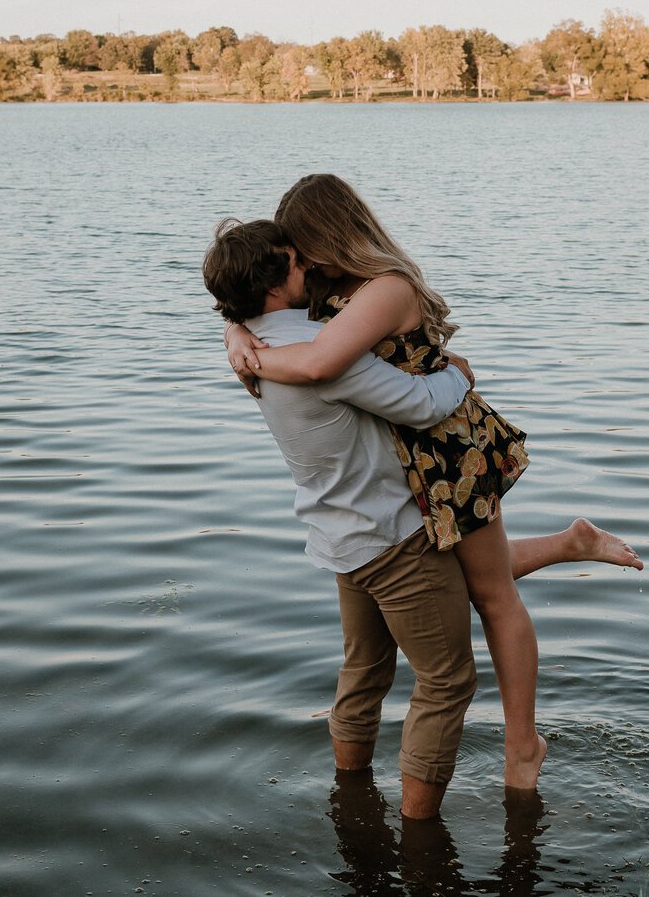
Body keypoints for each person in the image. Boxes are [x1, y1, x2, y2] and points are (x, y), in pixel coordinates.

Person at [224, 174, 643, 790]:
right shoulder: (326, 289)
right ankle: (571, 543)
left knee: (491, 595)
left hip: (448, 447)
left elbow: (317, 362)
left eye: (307, 244)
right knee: (471, 579)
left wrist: (249, 352)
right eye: (296, 253)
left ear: (334, 233)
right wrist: (234, 329)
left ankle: (523, 746)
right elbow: (270, 314)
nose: (303, 262)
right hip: (410, 450)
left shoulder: (385, 288)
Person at [203, 217, 482, 820]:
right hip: (390, 536)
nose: (310, 267)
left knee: (364, 670)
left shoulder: (253, 342)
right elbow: (420, 404)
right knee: (446, 682)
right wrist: (458, 374)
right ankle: (419, 836)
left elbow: (234, 313)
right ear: (274, 283)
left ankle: (350, 800)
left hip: (337, 536)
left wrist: (229, 328)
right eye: (297, 262)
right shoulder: (321, 352)